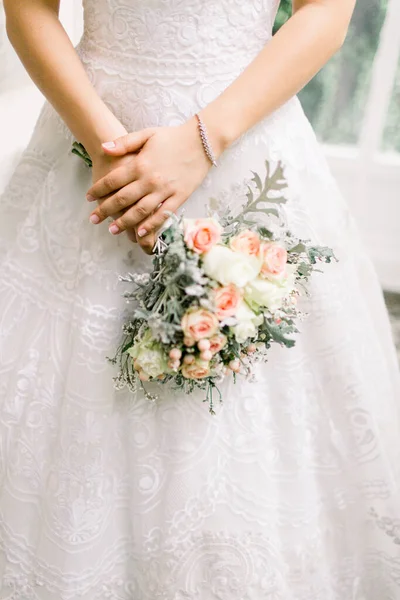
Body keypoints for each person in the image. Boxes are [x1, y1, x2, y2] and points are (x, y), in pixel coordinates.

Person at [1, 0, 399, 598]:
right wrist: (110, 155)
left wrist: (200, 142)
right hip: (92, 146)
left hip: (248, 141)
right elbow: (28, 8)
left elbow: (327, 15)